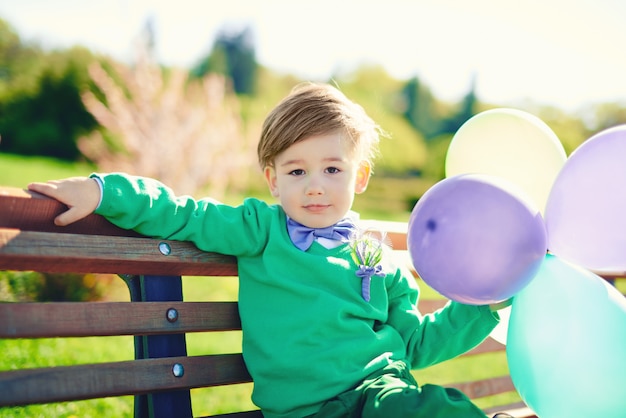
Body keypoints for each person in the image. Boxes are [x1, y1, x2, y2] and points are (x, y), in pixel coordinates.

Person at [29, 83, 506, 418]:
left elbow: (417, 345)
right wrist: (105, 191)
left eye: (332, 170)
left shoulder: (377, 258)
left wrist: (480, 303)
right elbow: (186, 213)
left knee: (437, 410)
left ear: (359, 177)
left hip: (381, 396)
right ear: (273, 181)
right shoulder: (261, 229)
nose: (315, 187)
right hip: (310, 408)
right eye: (297, 172)